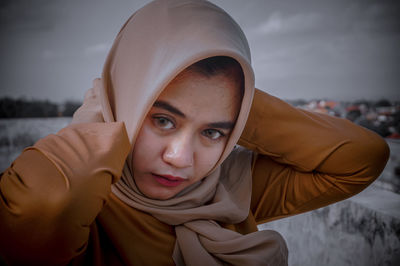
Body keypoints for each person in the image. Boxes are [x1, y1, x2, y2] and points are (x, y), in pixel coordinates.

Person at [0, 0, 389, 265]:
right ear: (125, 101)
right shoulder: (87, 211)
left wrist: (238, 107)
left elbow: (362, 158)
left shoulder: (229, 189)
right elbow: (38, 209)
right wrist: (103, 118)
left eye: (213, 132)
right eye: (162, 120)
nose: (181, 159)